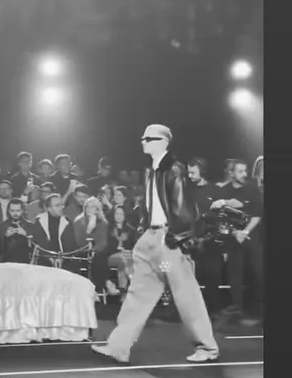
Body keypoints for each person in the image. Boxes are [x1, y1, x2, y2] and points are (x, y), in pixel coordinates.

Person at [91, 123, 219, 364]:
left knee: (184, 292)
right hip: (152, 241)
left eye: (148, 138)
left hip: (167, 242)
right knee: (139, 293)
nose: (143, 141)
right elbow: (155, 205)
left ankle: (207, 347)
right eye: (143, 137)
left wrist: (177, 236)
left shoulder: (173, 168)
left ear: (162, 141)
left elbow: (182, 206)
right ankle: (118, 346)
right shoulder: (155, 169)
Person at [211, 159, 263, 323]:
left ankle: (257, 306)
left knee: (258, 271)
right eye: (240, 171)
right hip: (233, 238)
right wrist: (234, 233)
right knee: (235, 274)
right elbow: (219, 218)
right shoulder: (223, 191)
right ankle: (237, 306)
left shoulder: (253, 190)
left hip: (251, 236)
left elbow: (258, 214)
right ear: (231, 173)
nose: (244, 174)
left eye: (245, 171)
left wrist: (245, 231)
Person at [186, 156, 224, 315]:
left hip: (211, 240)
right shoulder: (187, 191)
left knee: (213, 276)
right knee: (190, 276)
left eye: (193, 172)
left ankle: (212, 310)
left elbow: (221, 216)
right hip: (191, 240)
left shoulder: (215, 190)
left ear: (202, 171)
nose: (190, 175)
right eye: (188, 172)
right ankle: (192, 310)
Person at [73, 196, 118, 295]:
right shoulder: (78, 221)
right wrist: (89, 228)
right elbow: (80, 241)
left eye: (93, 207)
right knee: (97, 258)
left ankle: (97, 289)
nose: (89, 209)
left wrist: (94, 250)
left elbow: (103, 242)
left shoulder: (102, 223)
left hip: (97, 251)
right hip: (82, 250)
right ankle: (105, 283)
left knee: (99, 256)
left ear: (98, 210)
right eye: (87, 207)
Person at [31, 191, 77, 265]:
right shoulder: (40, 221)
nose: (61, 208)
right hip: (45, 258)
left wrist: (61, 258)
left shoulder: (68, 222)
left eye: (61, 205)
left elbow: (70, 245)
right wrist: (50, 258)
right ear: (48, 208)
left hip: (64, 259)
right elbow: (40, 242)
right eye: (57, 205)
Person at [107, 203, 138, 291]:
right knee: (124, 259)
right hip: (111, 256)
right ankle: (128, 288)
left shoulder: (130, 230)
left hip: (127, 257)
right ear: (113, 215)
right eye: (117, 214)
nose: (119, 216)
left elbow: (135, 246)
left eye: (121, 214)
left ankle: (123, 288)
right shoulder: (109, 229)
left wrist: (128, 251)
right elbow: (106, 247)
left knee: (125, 260)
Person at [0, 198, 33, 263]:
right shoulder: (2, 227)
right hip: (6, 264)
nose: (15, 213)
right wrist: (5, 236)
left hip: (26, 264)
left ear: (22, 211)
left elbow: (36, 249)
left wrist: (26, 234)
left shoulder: (30, 226)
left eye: (18, 211)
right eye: (12, 211)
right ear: (8, 211)